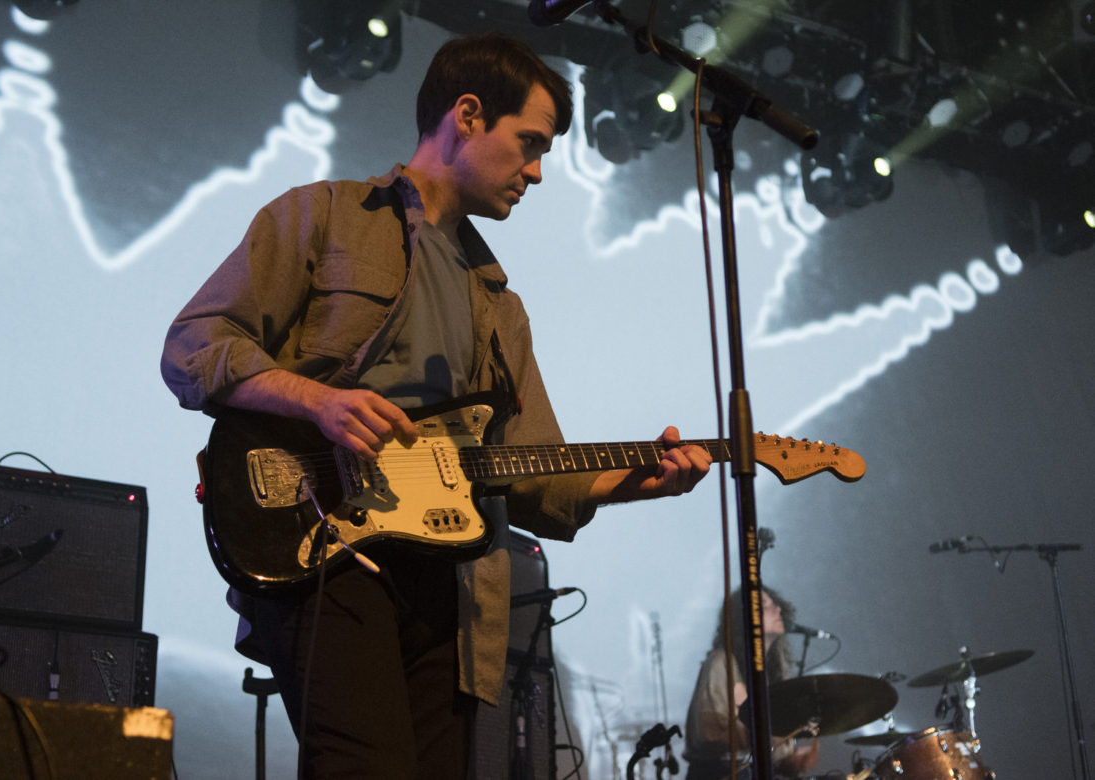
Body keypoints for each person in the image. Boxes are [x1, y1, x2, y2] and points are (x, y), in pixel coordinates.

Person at [160, 33, 712, 779]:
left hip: (452, 586)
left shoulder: (500, 305)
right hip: (322, 541)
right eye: (530, 144)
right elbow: (195, 344)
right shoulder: (322, 217)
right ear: (468, 115)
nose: (539, 172)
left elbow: (536, 472)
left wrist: (635, 482)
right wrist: (319, 402)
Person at [684, 588, 822, 780]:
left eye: (774, 603)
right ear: (744, 619)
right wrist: (776, 740)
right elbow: (711, 733)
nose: (777, 609)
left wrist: (789, 761)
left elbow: (759, 750)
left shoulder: (767, 673)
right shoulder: (721, 662)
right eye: (765, 605)